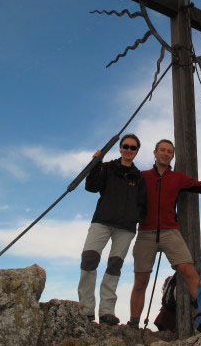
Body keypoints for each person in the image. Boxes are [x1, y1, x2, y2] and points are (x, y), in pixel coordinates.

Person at [128, 139, 201, 328]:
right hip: (146, 233)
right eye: (162, 150)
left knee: (188, 271)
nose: (165, 154)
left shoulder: (178, 178)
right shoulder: (142, 176)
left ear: (172, 156)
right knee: (141, 281)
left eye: (169, 152)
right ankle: (133, 324)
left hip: (170, 231)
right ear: (155, 153)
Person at [78, 133, 147, 326]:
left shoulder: (138, 177)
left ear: (137, 151)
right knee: (89, 259)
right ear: (120, 148)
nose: (128, 150)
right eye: (126, 146)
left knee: (114, 266)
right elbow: (91, 187)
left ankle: (107, 311)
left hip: (125, 228)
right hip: (102, 222)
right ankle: (86, 309)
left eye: (133, 148)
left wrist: (135, 217)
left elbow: (143, 203)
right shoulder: (107, 167)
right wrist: (94, 163)